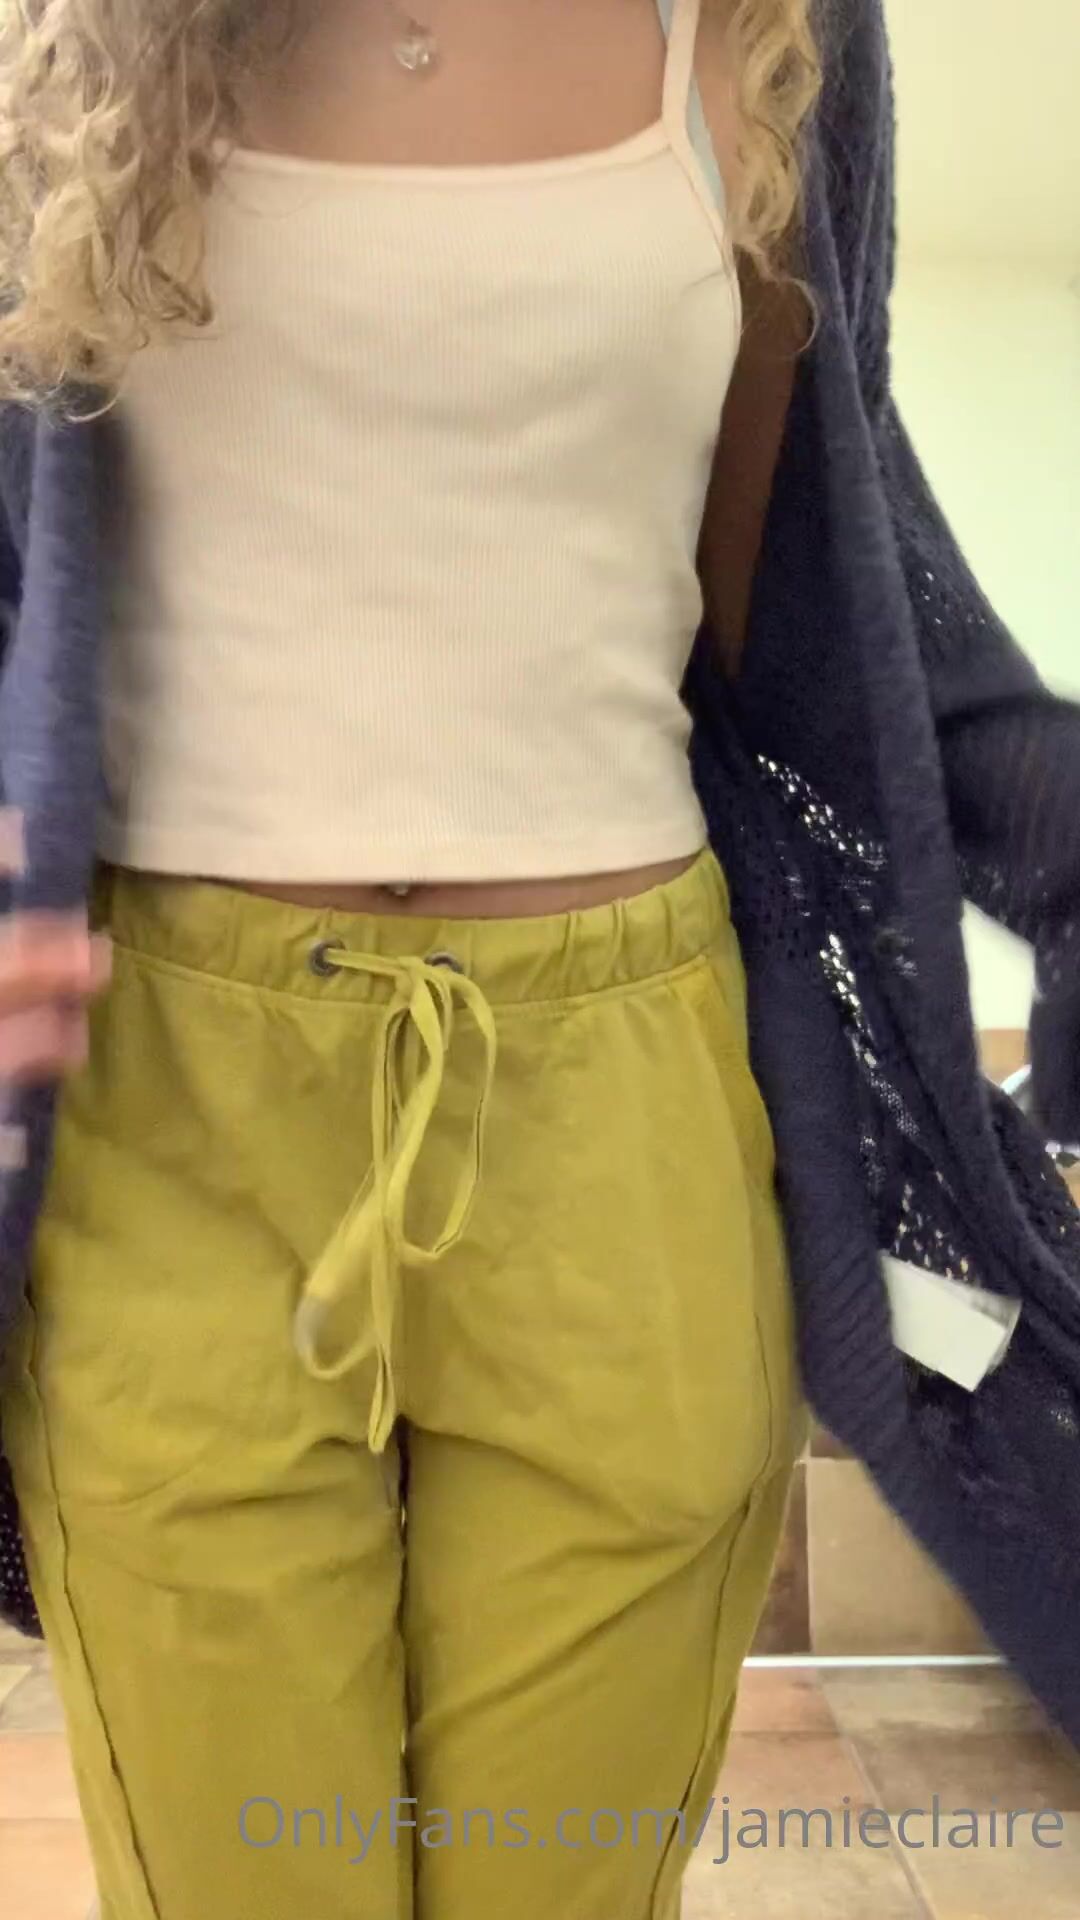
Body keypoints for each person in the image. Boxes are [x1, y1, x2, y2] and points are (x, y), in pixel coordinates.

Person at [0, 1, 1077, 1917]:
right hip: (169, 1116)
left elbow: (831, 620)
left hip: (625, 1120)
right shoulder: (49, 43)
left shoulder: (765, 34)